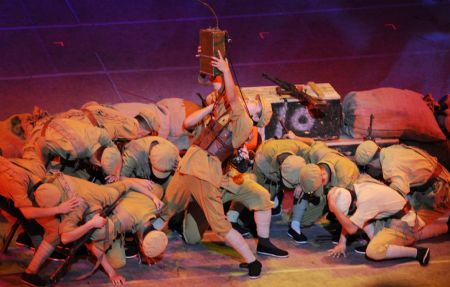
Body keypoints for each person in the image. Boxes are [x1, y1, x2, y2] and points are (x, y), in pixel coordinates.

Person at [150, 50, 271, 278]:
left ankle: (253, 262)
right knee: (168, 206)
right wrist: (209, 57)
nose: (253, 100)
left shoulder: (245, 123)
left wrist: (226, 71)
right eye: (255, 99)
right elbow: (221, 89)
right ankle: (146, 242)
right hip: (189, 164)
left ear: (257, 117)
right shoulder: (233, 111)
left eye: (257, 104)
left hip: (206, 172)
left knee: (220, 226)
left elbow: (233, 97)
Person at [34, 173, 164, 285]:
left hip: (110, 203)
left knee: (155, 189)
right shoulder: (78, 206)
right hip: (106, 217)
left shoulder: (152, 203)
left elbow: (128, 183)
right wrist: (91, 225)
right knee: (117, 261)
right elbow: (66, 238)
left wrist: (153, 197)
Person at [0, 156, 80, 287]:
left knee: (43, 226)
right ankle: (30, 273)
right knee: (54, 230)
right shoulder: (13, 178)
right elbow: (28, 213)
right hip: (18, 196)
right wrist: (58, 209)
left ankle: (40, 247)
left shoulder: (15, 165)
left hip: (28, 190)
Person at [327, 175, 439, 266]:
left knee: (373, 251)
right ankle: (445, 227)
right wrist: (342, 243)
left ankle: (418, 253)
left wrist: (334, 208)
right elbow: (351, 220)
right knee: (360, 219)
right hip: (397, 219)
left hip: (405, 226)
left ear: (352, 204)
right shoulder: (358, 188)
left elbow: (351, 228)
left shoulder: (366, 201)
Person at [294, 147, 360, 243]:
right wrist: (301, 183)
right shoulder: (317, 153)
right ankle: (331, 212)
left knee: (341, 201)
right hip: (329, 188)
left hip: (350, 193)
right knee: (304, 220)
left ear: (323, 179)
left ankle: (341, 228)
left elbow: (350, 199)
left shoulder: (345, 175)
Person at [33, 118, 122, 183]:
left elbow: (115, 149)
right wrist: (43, 167)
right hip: (42, 132)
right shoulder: (74, 151)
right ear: (97, 165)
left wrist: (116, 173)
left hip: (60, 120)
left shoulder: (102, 135)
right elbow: (42, 144)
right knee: (38, 175)